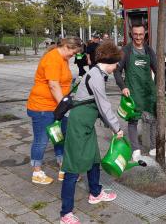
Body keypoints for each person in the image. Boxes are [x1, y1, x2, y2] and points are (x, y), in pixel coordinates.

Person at [60, 40, 123, 224]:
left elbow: (97, 105)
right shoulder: (96, 76)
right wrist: (116, 128)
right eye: (116, 64)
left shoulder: (98, 73)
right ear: (110, 61)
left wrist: (108, 125)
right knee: (72, 168)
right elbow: (103, 106)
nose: (117, 67)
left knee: (94, 159)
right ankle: (66, 213)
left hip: (87, 124)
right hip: (78, 125)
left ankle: (95, 193)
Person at [26, 36, 83, 185]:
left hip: (55, 107)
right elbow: (53, 85)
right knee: (41, 140)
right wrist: (63, 106)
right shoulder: (53, 59)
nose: (74, 55)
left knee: (59, 137)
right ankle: (37, 172)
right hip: (43, 107)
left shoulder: (63, 59)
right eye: (74, 52)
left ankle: (63, 168)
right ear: (67, 47)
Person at [114, 22, 166, 160]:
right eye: (135, 34)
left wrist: (160, 88)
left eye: (141, 34)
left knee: (153, 119)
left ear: (145, 34)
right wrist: (123, 87)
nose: (138, 37)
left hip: (148, 91)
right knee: (133, 121)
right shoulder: (125, 51)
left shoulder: (149, 50)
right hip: (132, 91)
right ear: (131, 34)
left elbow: (158, 71)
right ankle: (135, 150)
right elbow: (117, 71)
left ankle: (153, 148)